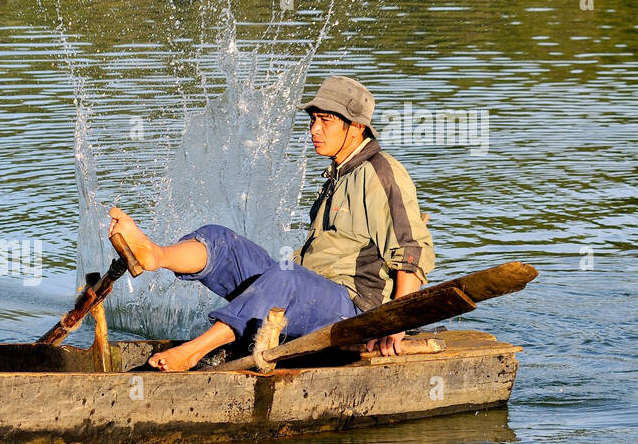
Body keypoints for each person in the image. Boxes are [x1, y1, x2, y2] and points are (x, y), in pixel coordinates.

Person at [109, 75, 435, 371]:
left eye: (325, 121)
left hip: (353, 311)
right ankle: (155, 255)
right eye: (312, 120)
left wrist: (395, 323)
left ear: (357, 127)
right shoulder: (337, 175)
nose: (313, 130)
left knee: (284, 278)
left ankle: (193, 352)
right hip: (308, 292)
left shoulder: (380, 174)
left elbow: (412, 251)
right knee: (220, 240)